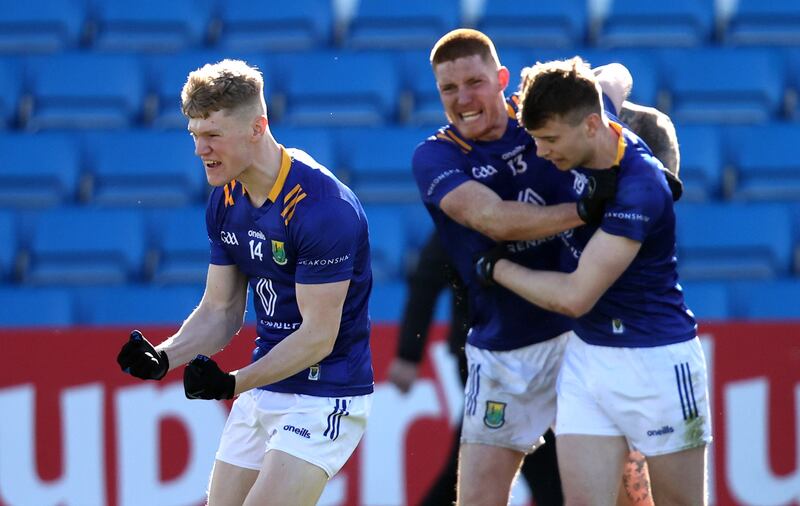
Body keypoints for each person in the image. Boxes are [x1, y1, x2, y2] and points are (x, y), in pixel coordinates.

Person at [115, 59, 373, 506]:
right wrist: (164, 358)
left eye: (212, 135)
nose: (200, 149)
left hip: (325, 390)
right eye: (194, 134)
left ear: (257, 127)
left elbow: (318, 337)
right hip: (263, 387)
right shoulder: (225, 199)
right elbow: (221, 310)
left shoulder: (322, 208)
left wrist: (232, 383)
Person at [412, 28, 646, 506]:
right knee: (477, 499)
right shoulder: (435, 154)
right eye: (448, 89)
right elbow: (491, 219)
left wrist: (606, 100)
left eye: (474, 82)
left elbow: (617, 77)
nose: (463, 99)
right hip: (502, 355)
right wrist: (585, 211)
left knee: (624, 497)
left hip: (581, 340)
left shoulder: (543, 115)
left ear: (501, 79)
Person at [477, 57, 712, 505]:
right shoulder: (590, 108)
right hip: (588, 360)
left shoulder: (640, 186)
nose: (541, 153)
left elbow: (575, 297)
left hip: (659, 362)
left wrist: (497, 269)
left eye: (549, 140)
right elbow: (618, 72)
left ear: (589, 126)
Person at [387, 231, 563, 505]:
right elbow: (427, 276)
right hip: (485, 360)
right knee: (546, 470)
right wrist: (408, 354)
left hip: (538, 355)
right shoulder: (472, 208)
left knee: (473, 465)